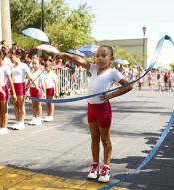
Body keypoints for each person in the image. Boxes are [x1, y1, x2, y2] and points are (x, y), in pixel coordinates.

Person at [55, 45, 133, 183]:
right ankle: (95, 166)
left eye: (104, 55)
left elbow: (129, 85)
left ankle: (106, 167)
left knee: (105, 139)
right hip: (91, 108)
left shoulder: (113, 72)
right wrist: (66, 55)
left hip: (103, 110)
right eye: (97, 56)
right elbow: (80, 61)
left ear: (112, 58)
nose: (99, 58)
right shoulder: (94, 69)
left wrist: (112, 94)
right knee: (94, 138)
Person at [9, 48, 40, 130]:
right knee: (15, 105)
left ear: (18, 56)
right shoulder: (11, 66)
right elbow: (10, 78)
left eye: (12, 57)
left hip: (20, 86)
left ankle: (21, 122)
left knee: (21, 105)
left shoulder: (24, 65)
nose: (11, 59)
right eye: (10, 58)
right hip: (13, 86)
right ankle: (17, 121)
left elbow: (30, 76)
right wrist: (9, 87)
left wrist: (36, 85)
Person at [0, 50, 17, 135]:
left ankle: (4, 127)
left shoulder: (6, 67)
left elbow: (10, 81)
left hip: (3, 89)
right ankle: (0, 127)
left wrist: (13, 93)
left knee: (4, 109)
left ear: (0, 56)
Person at [27, 54, 45, 126]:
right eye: (33, 63)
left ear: (40, 64)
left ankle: (39, 118)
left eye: (35, 63)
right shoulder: (31, 72)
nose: (34, 65)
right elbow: (29, 81)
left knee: (39, 105)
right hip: (32, 89)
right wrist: (27, 87)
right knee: (34, 104)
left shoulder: (41, 72)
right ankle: (34, 117)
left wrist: (44, 92)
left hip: (38, 90)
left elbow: (43, 83)